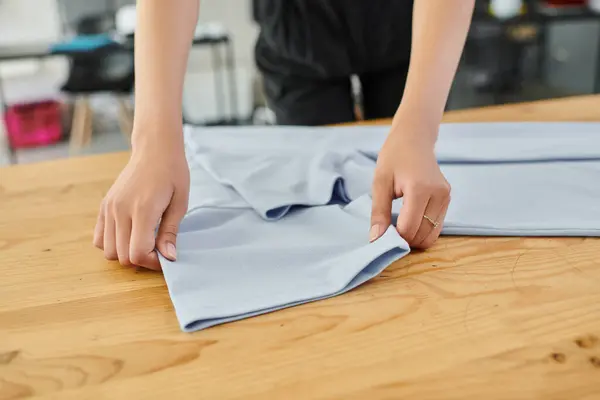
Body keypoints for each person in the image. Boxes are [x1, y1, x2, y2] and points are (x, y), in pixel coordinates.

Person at [93, 0, 475, 270]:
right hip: (297, 35)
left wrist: (419, 129)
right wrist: (152, 144)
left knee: (412, 191)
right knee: (316, 214)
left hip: (411, 26)